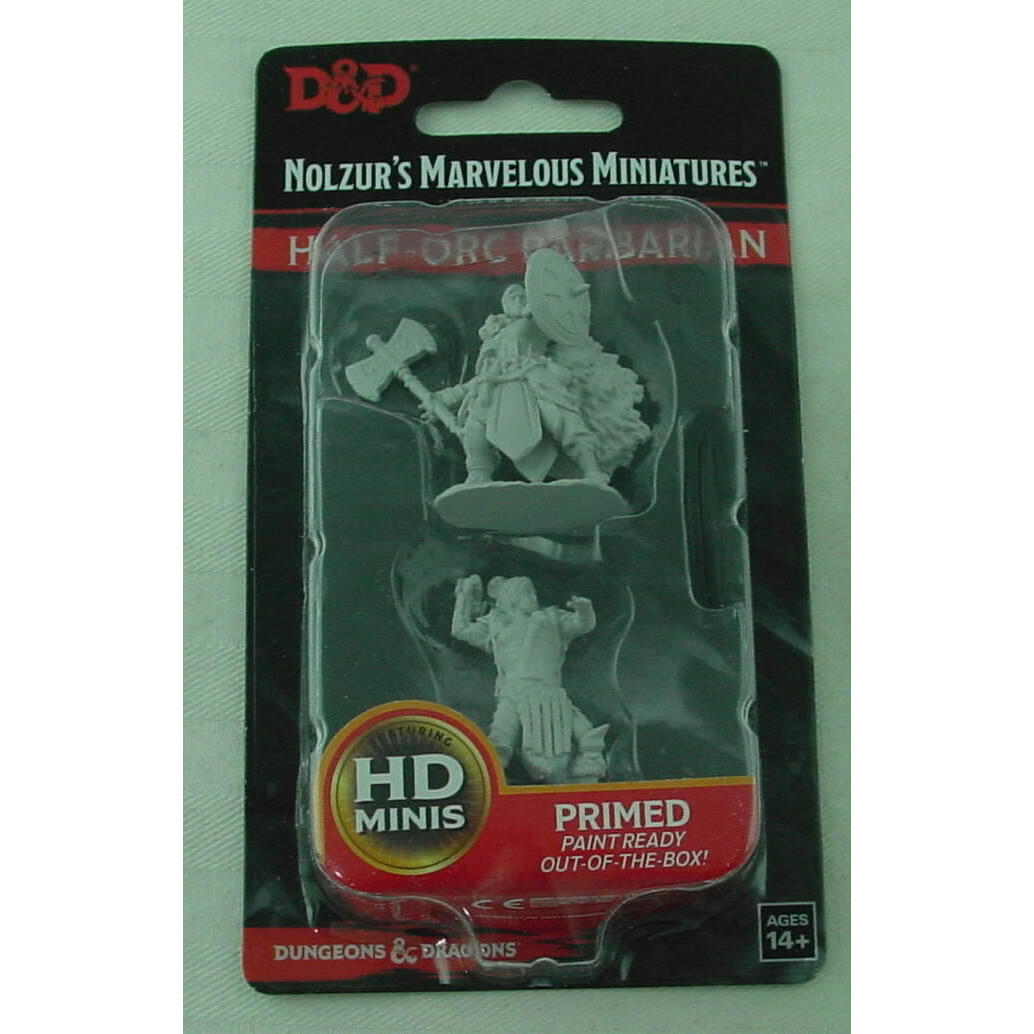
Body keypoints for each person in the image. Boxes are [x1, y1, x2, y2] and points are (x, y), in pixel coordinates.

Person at [451, 574, 608, 784]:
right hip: (514, 692)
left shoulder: (553, 619)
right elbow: (460, 629)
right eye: (528, 593)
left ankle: (589, 764)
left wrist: (584, 609)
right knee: (501, 736)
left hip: (550, 691)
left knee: (585, 732)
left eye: (534, 593)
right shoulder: (495, 624)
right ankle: (492, 776)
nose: (534, 597)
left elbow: (582, 625)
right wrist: (464, 598)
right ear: (513, 598)